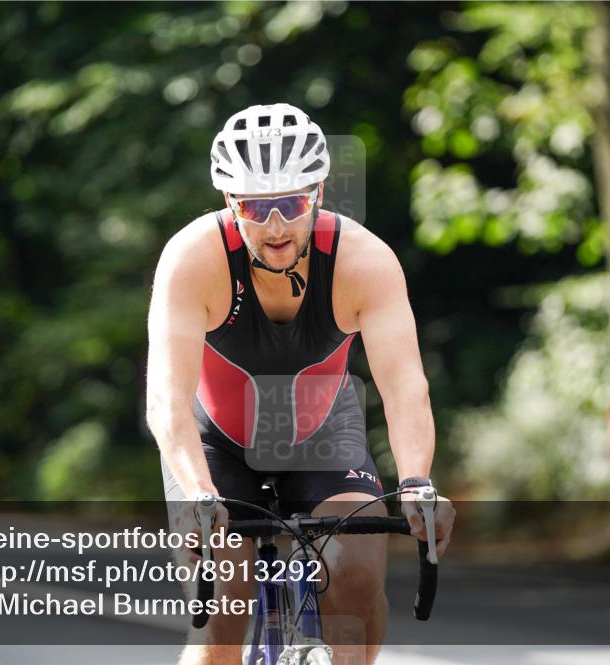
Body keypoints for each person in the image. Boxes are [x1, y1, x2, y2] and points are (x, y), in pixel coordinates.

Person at [146, 103, 455, 665]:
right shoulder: (194, 259)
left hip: (323, 431)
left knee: (358, 579)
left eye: (290, 203)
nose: (275, 225)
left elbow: (405, 385)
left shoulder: (364, 261)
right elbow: (166, 399)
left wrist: (415, 483)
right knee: (225, 609)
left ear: (317, 192)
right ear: (229, 203)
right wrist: (197, 494)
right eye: (255, 207)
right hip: (215, 442)